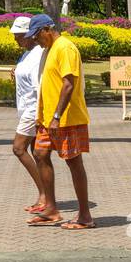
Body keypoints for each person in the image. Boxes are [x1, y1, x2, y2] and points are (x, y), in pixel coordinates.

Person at [25, 14, 95, 230]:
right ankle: (51, 209)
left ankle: (85, 216)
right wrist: (43, 117)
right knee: (40, 154)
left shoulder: (65, 48)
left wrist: (56, 116)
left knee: (74, 162)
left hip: (66, 118)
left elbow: (68, 84)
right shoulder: (49, 50)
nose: (35, 41)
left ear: (47, 29)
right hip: (48, 119)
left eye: (36, 36)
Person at [8, 16, 48, 214]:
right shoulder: (26, 54)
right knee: (38, 155)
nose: (16, 39)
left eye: (19, 36)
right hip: (25, 108)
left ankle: (45, 195)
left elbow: (39, 86)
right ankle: (45, 196)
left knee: (18, 148)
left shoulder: (39, 53)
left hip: (33, 109)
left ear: (30, 35)